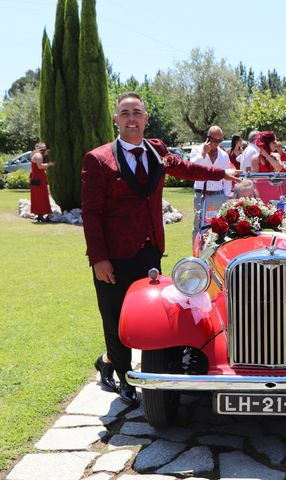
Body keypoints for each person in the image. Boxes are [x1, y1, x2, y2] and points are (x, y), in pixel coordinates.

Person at [81, 92, 240, 405]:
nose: (131, 119)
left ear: (145, 118)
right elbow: (91, 214)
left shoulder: (156, 150)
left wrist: (222, 173)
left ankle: (112, 361)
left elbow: (184, 168)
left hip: (150, 250)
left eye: (136, 113)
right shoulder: (98, 160)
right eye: (125, 113)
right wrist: (99, 258)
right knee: (115, 317)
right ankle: (125, 376)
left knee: (152, 314)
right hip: (113, 256)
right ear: (116, 119)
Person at [190, 125, 233, 242]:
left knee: (220, 226)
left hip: (219, 195)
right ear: (208, 138)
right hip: (201, 194)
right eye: (214, 140)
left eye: (219, 141)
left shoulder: (223, 155)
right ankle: (197, 256)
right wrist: (203, 154)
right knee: (198, 226)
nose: (216, 144)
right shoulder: (197, 150)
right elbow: (191, 168)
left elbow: (227, 175)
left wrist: (227, 194)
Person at [29, 143, 54, 222]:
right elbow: (40, 166)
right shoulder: (39, 156)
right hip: (39, 179)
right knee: (42, 196)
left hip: (36, 178)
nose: (47, 154)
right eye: (47, 152)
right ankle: (43, 215)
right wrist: (49, 164)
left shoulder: (35, 155)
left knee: (37, 197)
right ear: (44, 150)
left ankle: (40, 215)